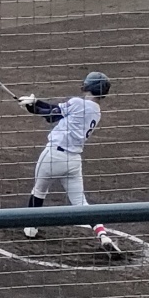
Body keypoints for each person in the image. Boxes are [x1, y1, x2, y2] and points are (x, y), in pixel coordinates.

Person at [20, 72, 118, 250]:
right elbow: (54, 110)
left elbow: (50, 115)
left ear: (88, 86)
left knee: (39, 191)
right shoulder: (96, 111)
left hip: (53, 156)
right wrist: (35, 102)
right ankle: (103, 236)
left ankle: (31, 228)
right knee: (81, 203)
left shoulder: (78, 103)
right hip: (73, 161)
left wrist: (31, 107)